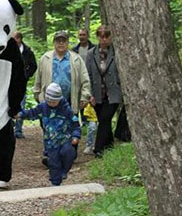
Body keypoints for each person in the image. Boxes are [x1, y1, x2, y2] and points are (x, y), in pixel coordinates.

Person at [34, 30, 91, 164]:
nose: (61, 43)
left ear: (68, 42)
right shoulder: (46, 58)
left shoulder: (76, 59)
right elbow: (39, 78)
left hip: (69, 100)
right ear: (54, 42)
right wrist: (37, 94)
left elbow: (85, 80)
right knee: (49, 127)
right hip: (49, 101)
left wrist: (84, 96)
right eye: (58, 41)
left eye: (63, 41)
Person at [16, 83, 80, 186]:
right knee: (53, 163)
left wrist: (76, 136)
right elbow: (33, 113)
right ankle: (55, 183)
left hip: (65, 139)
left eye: (54, 101)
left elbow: (75, 124)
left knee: (68, 153)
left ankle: (64, 170)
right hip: (50, 142)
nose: (51, 103)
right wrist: (21, 114)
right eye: (49, 101)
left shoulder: (66, 110)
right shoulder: (43, 107)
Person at [85, 25, 123, 157]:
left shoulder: (117, 52)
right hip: (97, 93)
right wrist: (89, 94)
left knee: (105, 118)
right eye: (102, 36)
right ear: (98, 37)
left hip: (113, 93)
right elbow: (87, 75)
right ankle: (110, 145)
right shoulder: (91, 54)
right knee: (103, 121)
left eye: (107, 36)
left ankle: (99, 149)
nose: (105, 39)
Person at [13, 31, 38, 139]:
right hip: (8, 82)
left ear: (19, 39)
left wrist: (26, 76)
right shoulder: (7, 50)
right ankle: (9, 129)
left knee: (21, 106)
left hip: (21, 83)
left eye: (15, 39)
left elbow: (33, 65)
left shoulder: (27, 51)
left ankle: (18, 130)